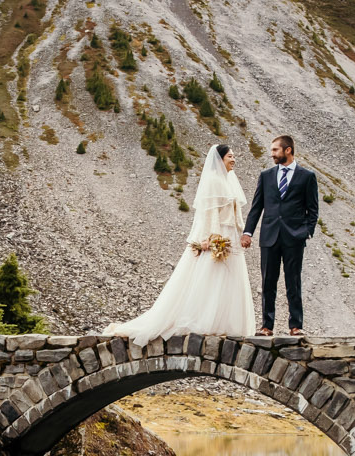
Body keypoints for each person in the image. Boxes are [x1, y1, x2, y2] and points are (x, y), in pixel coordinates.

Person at [106, 144, 257, 339]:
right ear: (220, 160)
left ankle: (225, 323)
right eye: (230, 156)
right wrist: (213, 239)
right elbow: (209, 214)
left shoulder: (227, 181)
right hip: (219, 235)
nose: (233, 160)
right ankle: (206, 321)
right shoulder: (213, 181)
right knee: (213, 277)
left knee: (228, 279)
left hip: (231, 236)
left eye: (234, 156)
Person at [240, 133, 317, 335]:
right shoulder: (266, 176)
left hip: (294, 237)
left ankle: (296, 326)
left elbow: (313, 209)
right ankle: (267, 326)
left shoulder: (307, 176)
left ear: (288, 150)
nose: (271, 153)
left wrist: (306, 232)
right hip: (269, 236)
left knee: (293, 281)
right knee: (268, 282)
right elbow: (256, 207)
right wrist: (248, 232)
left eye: (275, 150)